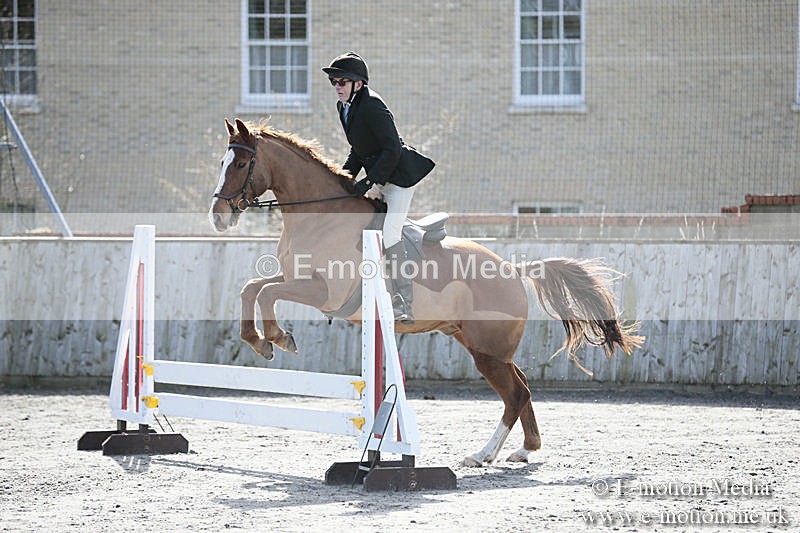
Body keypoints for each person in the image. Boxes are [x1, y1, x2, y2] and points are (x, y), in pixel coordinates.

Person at [323, 51, 434, 324]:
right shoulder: (344, 107)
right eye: (334, 81)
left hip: (397, 178)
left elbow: (392, 149)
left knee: (390, 233)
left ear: (358, 84)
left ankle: (403, 303)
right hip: (378, 172)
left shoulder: (372, 106)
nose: (337, 86)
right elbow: (358, 150)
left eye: (342, 81)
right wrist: (342, 180)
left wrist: (370, 181)